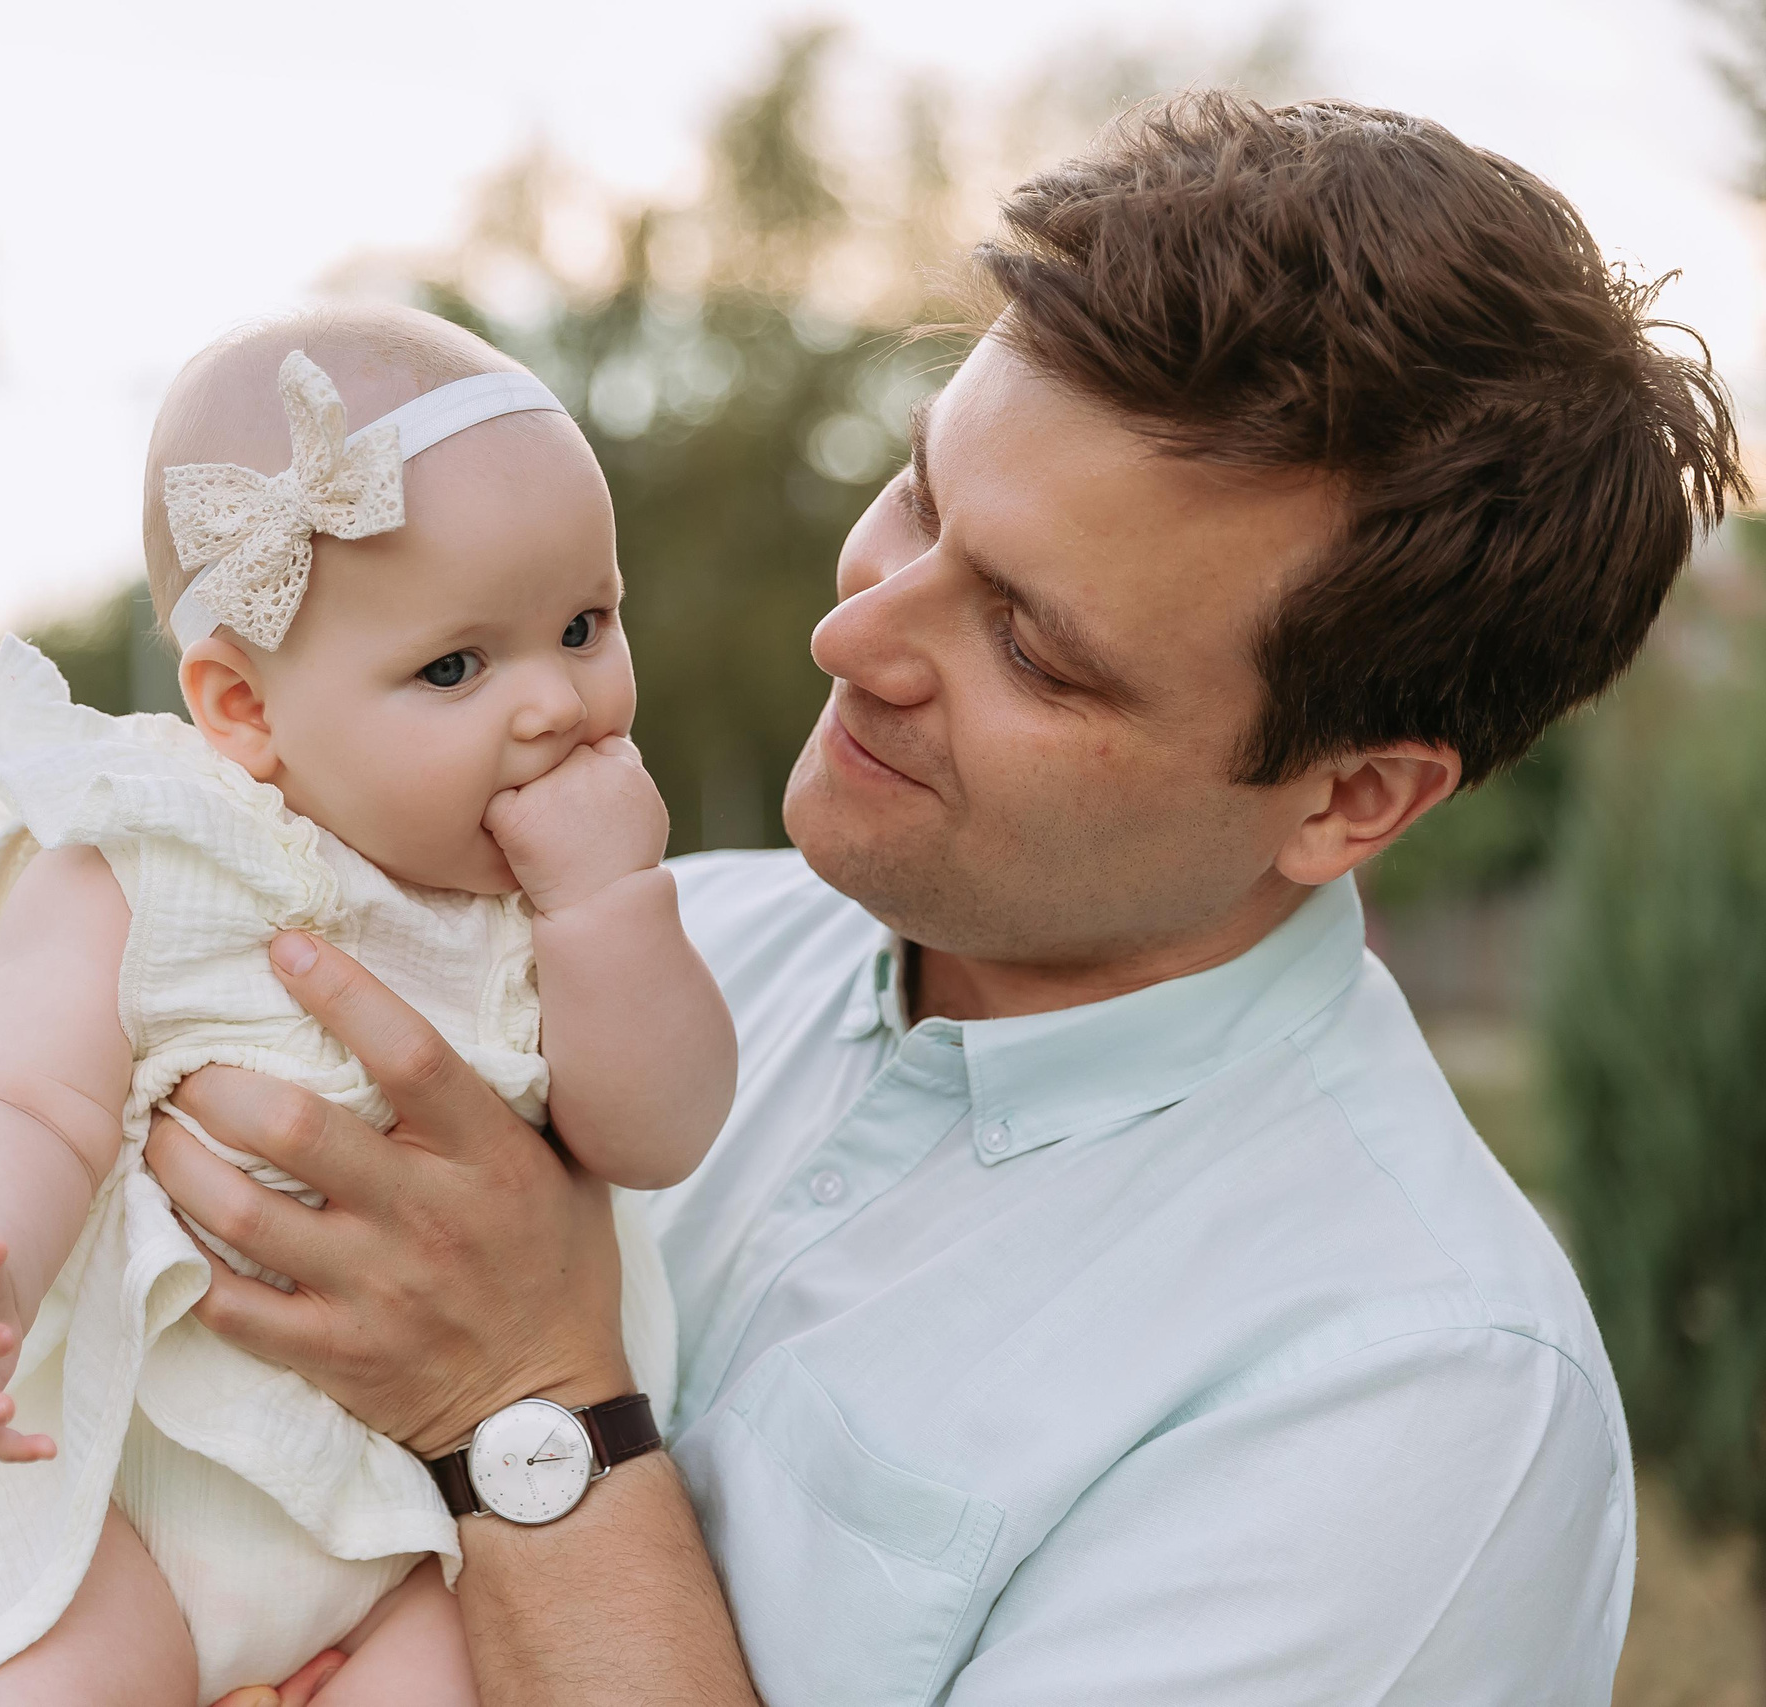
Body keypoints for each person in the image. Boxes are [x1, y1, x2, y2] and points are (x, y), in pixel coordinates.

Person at [152, 95, 1743, 1704]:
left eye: (1035, 645)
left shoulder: (1412, 1405)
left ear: (1350, 799)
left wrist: (527, 1408)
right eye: (916, 496)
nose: (858, 639)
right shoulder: (654, 942)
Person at [0, 310, 734, 1706]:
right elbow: (22, 1098)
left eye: (583, 626)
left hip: (430, 1524)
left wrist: (611, 915)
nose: (554, 703)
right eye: (454, 668)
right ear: (244, 709)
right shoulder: (152, 850)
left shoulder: (554, 916)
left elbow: (655, 1130)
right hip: (120, 1481)